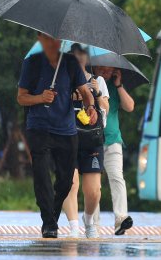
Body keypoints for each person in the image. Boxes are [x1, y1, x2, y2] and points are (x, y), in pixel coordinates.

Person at [18, 34, 97, 238]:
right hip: (39, 127)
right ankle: (49, 223)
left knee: (65, 181)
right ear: (40, 39)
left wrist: (90, 106)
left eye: (57, 39)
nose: (53, 42)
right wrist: (40, 98)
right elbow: (21, 98)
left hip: (66, 129)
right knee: (42, 175)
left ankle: (52, 213)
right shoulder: (32, 63)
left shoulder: (70, 62)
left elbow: (84, 91)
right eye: (48, 38)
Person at [61, 44, 110, 238]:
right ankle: (73, 228)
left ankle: (88, 220)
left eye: (81, 54)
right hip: (67, 137)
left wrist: (96, 93)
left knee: (94, 190)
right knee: (70, 184)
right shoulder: (62, 81)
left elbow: (105, 106)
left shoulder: (97, 80)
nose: (78, 58)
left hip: (91, 140)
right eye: (74, 54)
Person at [93, 65, 136, 236]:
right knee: (94, 185)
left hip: (113, 140)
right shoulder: (89, 82)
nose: (107, 73)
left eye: (110, 70)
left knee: (117, 177)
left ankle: (120, 219)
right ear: (95, 67)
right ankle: (93, 224)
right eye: (103, 69)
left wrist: (118, 85)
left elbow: (130, 106)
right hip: (93, 140)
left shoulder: (113, 86)